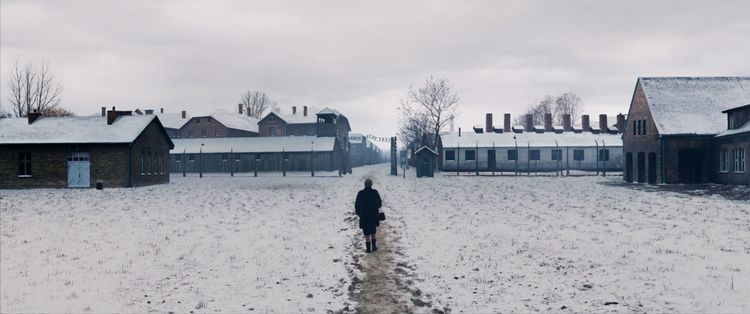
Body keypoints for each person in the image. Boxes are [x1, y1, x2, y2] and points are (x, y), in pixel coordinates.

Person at [354, 178, 382, 253]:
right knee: (373, 231)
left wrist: (359, 213)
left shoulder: (360, 193)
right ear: (371, 184)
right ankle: (374, 246)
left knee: (366, 232)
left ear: (364, 184)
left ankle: (368, 248)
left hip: (364, 216)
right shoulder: (375, 192)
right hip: (373, 215)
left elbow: (356, 205)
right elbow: (379, 204)